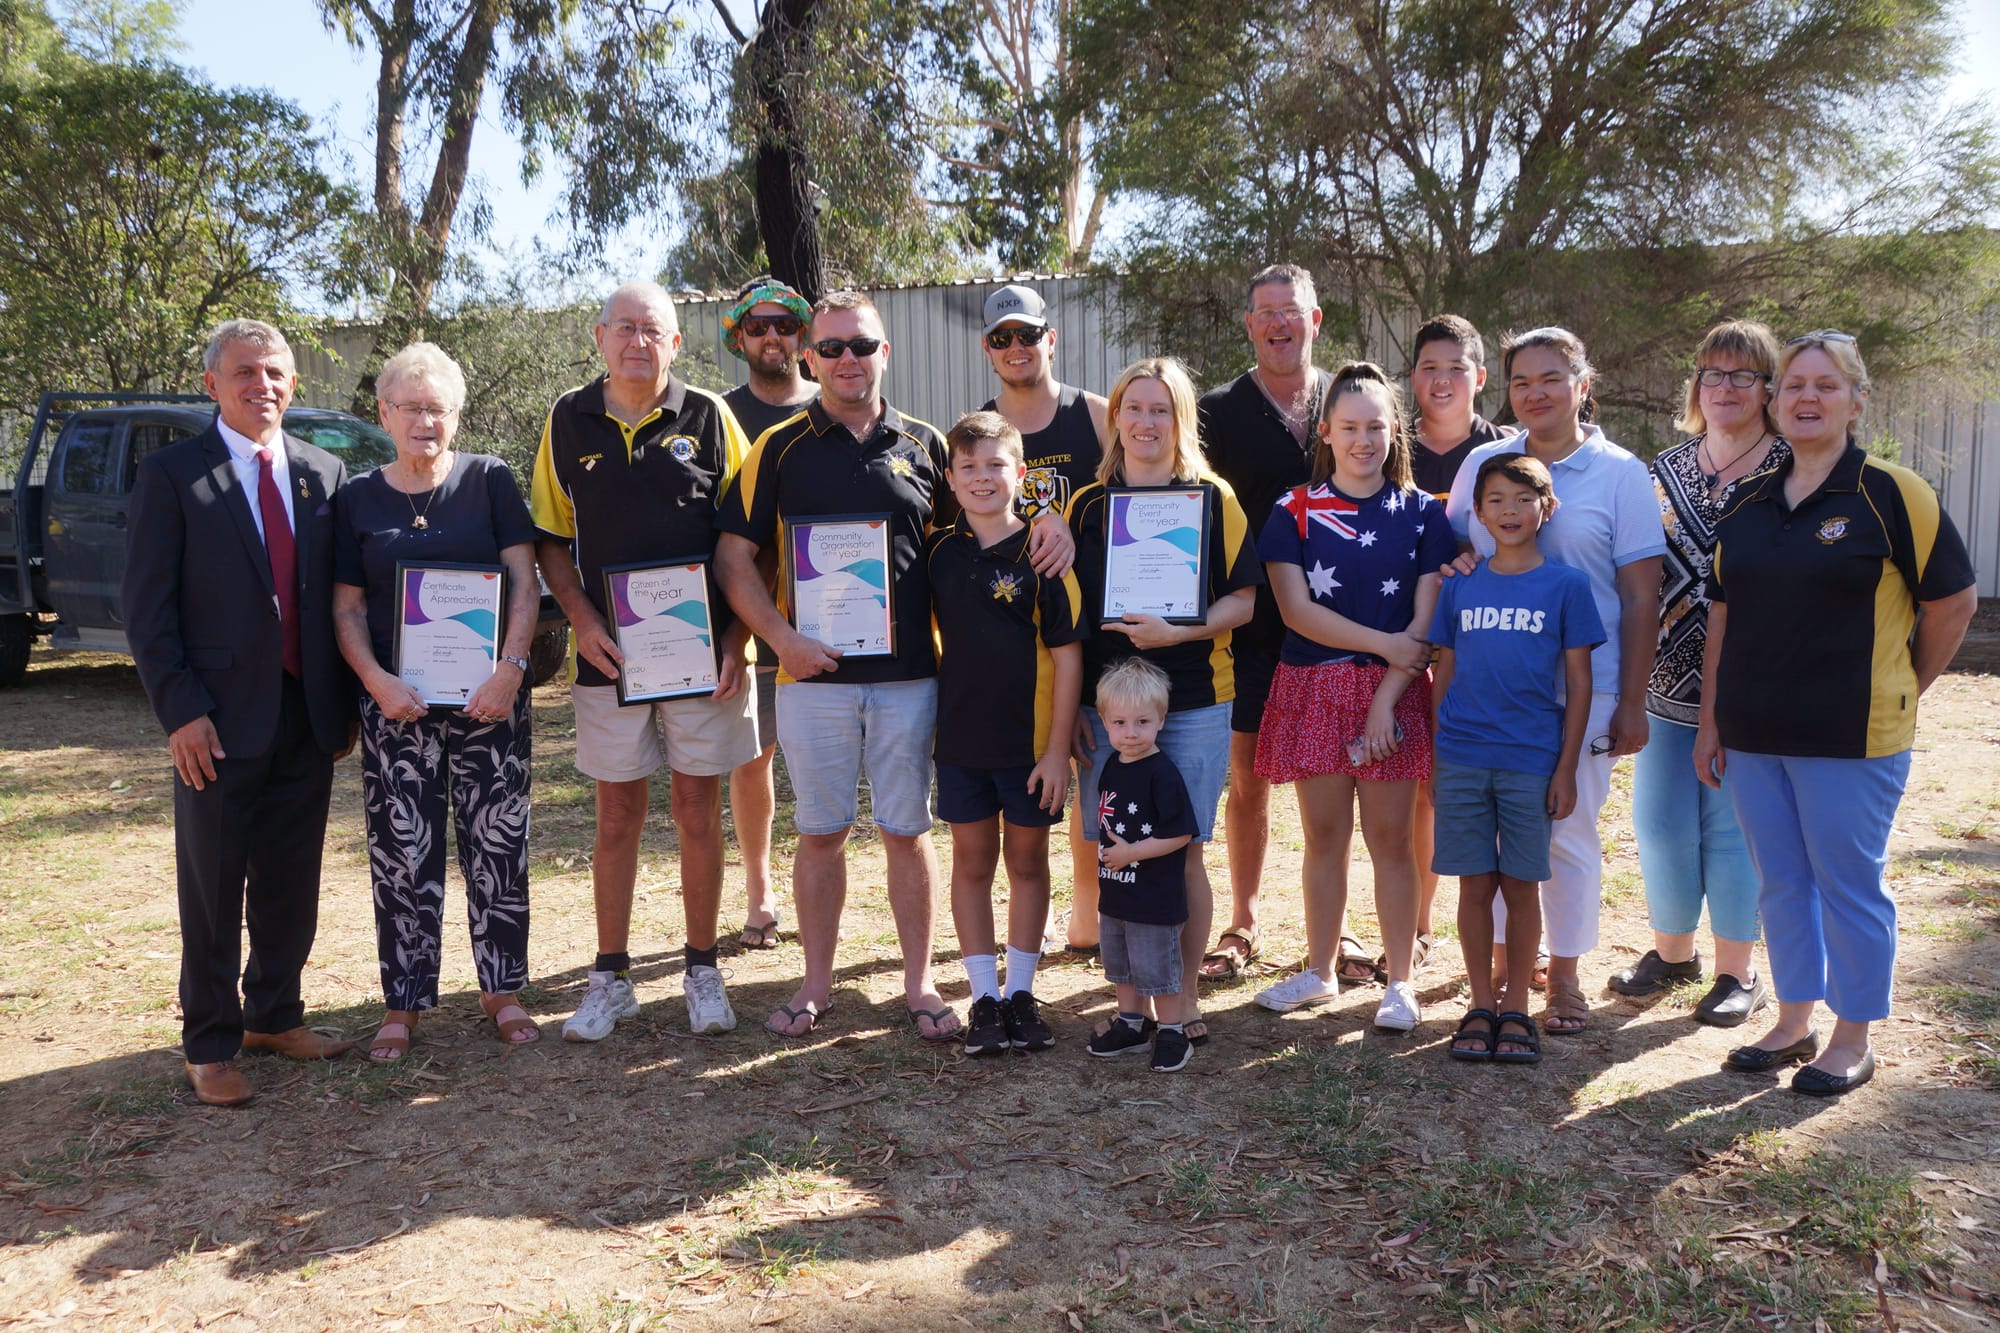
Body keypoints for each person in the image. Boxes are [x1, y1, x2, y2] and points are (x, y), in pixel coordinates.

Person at [1698, 331, 1976, 1095]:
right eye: (1794, 386)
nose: (1808, 398)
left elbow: (1953, 604)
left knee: (1847, 882)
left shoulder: (1892, 493)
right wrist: (1714, 720)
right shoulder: (1748, 501)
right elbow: (1724, 614)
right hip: (1755, 734)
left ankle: (1853, 1037)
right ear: (1774, 401)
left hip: (1852, 736)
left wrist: (1904, 685)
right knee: (1781, 881)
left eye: (1826, 385)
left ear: (1857, 401)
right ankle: (1792, 1019)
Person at [123, 319, 357, 1107]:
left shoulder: (323, 472)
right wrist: (180, 711)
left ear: (294, 383)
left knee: (292, 878)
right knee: (214, 884)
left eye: (277, 372)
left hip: (307, 713)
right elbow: (147, 610)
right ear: (213, 384)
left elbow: (336, 600)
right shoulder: (172, 475)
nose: (264, 385)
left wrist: (347, 705)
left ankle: (274, 1014)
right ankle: (212, 1042)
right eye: (246, 372)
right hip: (215, 721)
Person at [715, 292, 960, 1039]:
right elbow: (733, 559)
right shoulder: (779, 447)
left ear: (885, 353)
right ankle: (816, 982)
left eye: (862, 345)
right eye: (831, 349)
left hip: (909, 678)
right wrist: (780, 640)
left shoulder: (927, 444)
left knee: (906, 831)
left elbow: (962, 548)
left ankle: (918, 985)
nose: (847, 359)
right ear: (809, 357)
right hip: (811, 680)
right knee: (821, 830)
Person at [531, 281, 757, 1042]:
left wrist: (738, 639)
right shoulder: (567, 419)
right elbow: (551, 541)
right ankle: (611, 976)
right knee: (617, 816)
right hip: (610, 660)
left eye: (652, 329)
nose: (637, 341)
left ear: (676, 343)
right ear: (598, 336)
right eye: (623, 327)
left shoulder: (714, 419)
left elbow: (752, 540)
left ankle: (701, 967)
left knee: (699, 810)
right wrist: (584, 618)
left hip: (705, 660)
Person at [1445, 327, 1666, 1035]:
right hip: (1491, 693)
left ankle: (1563, 975)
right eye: (1520, 382)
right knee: (1501, 840)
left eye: (1550, 378)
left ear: (1582, 384)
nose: (1535, 393)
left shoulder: (1621, 473)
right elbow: (1456, 550)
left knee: (1564, 830)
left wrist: (1631, 700)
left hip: (1586, 688)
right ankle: (1510, 981)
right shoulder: (1486, 461)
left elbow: (1640, 595)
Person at [331, 342, 542, 1059]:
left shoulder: (490, 481)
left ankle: (502, 988)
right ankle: (404, 1001)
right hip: (399, 707)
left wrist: (511, 667)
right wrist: (374, 680)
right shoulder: (357, 497)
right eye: (412, 406)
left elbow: (525, 582)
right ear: (384, 412)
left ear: (457, 415)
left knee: (498, 844)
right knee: (401, 853)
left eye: (439, 407)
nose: (426, 419)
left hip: (490, 700)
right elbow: (347, 608)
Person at [1249, 364, 1460, 1031]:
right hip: (1313, 685)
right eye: (1349, 427)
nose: (1363, 439)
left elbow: (1422, 623)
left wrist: (1385, 693)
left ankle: (1399, 981)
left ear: (1394, 428)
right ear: (1327, 432)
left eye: (1375, 425)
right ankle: (1320, 970)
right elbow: (1296, 611)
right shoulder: (1293, 510)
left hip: (1391, 692)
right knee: (1324, 837)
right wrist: (1385, 643)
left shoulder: (1424, 514)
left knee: (1392, 839)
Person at [1068, 357, 1262, 1048]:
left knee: (1184, 852)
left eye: (1161, 409)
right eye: (1134, 407)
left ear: (1180, 419)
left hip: (1194, 702)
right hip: (1108, 708)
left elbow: (1244, 598)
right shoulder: (1087, 505)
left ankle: (1181, 1000)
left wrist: (1179, 628)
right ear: (1115, 415)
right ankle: (1132, 1005)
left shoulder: (1214, 496)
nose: (1146, 422)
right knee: (1117, 849)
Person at [1615, 320, 1789, 1025]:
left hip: (1752, 684)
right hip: (1661, 683)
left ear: (1767, 388)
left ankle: (1736, 970)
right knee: (1658, 824)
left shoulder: (1789, 468)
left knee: (1731, 826)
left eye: (1742, 375)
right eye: (1712, 374)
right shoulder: (1662, 470)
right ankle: (1672, 951)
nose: (1724, 388)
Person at [1430, 454, 1603, 1064]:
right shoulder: (1461, 584)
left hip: (1531, 758)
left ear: (1546, 509)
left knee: (1522, 885)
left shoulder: (1566, 587)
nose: (1509, 510)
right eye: (1496, 500)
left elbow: (1579, 684)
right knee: (1475, 884)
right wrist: (1434, 756)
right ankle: (1480, 1004)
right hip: (1462, 756)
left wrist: (1565, 768)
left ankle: (1516, 1011)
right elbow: (1442, 671)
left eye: (1523, 499)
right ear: (1477, 513)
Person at [927, 411, 1086, 1055]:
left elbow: (1070, 656)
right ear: (951, 477)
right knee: (971, 865)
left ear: (1022, 474)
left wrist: (1055, 752)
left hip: (1030, 749)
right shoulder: (937, 550)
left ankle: (1022, 993)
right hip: (961, 745)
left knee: (1026, 864)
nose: (983, 477)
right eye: (968, 466)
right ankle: (984, 998)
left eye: (996, 465)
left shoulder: (1045, 554)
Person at [1195, 264, 1332, 982]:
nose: (1280, 323)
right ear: (1248, 324)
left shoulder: (1349, 401)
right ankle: (1243, 920)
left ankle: (1328, 929)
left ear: (1316, 319)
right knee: (1247, 779)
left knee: (1328, 781)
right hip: (1249, 623)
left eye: (1293, 310)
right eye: (1266, 312)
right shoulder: (1216, 412)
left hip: (1341, 622)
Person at [976, 282, 1110, 952]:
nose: (1016, 347)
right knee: (1026, 790)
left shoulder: (1094, 415)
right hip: (1017, 642)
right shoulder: (981, 433)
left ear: (1049, 340)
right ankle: (1028, 919)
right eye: (1002, 337)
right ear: (988, 350)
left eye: (1027, 334)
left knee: (1093, 775)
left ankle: (1087, 916)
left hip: (1101, 631)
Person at [1401, 315, 1509, 977]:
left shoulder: (1505, 449)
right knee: (1422, 788)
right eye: (1428, 368)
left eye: (1455, 368)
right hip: (1409, 638)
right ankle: (1416, 924)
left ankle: (1508, 935)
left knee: (1492, 786)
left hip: (1484, 643)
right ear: (1413, 376)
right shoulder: (1389, 448)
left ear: (1480, 377)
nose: (1441, 382)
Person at [719, 276, 820, 951]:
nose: (772, 336)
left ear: (802, 335)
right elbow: (722, 543)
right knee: (751, 760)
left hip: (834, 624)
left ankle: (820, 894)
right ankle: (760, 893)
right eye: (758, 326)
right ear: (739, 338)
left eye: (785, 324)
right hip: (751, 628)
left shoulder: (841, 398)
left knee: (820, 763)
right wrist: (734, 635)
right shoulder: (716, 415)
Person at [1083, 658, 1199, 1073]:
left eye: (1142, 722)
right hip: (1116, 891)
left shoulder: (1162, 773)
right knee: (1121, 964)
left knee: (1156, 967)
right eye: (1119, 723)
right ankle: (1132, 1023)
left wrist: (1132, 853)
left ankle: (1171, 1031)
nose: (1130, 733)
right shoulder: (1113, 764)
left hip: (1154, 896)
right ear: (1104, 721)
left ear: (1161, 720)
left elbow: (1182, 833)